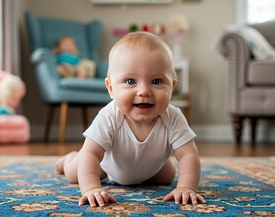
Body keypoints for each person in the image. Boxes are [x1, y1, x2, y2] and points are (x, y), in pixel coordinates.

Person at [54, 31, 206, 207]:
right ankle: (69, 159)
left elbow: (188, 154)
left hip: (150, 170)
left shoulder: (173, 117)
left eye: (156, 81)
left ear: (172, 87)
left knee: (167, 176)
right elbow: (91, 154)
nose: (144, 91)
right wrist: (91, 189)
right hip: (106, 166)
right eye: (130, 81)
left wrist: (187, 187)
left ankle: (150, 168)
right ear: (111, 88)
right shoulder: (110, 116)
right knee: (75, 173)